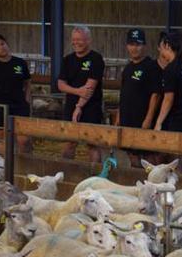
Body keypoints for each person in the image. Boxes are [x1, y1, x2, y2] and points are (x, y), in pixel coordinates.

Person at [115, 28, 163, 168]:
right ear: (127, 46)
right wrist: (118, 116)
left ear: (144, 46)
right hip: (127, 118)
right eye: (131, 44)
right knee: (131, 153)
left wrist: (148, 119)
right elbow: (123, 94)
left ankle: (155, 183)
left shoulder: (152, 66)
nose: (134, 48)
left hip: (142, 118)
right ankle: (137, 182)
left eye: (138, 45)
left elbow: (156, 94)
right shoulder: (127, 68)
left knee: (149, 154)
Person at [57, 25, 104, 163]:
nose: (76, 42)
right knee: (69, 142)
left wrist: (79, 107)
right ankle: (67, 173)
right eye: (74, 39)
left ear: (88, 40)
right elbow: (60, 85)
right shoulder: (68, 60)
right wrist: (77, 91)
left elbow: (89, 88)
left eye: (80, 39)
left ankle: (95, 177)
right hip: (70, 106)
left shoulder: (96, 59)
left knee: (92, 144)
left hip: (91, 107)